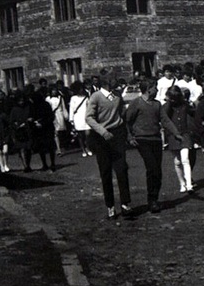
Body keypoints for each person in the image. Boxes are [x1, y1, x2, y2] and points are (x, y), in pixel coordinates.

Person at [126, 80, 180, 213]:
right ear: (149, 89)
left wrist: (176, 133)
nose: (157, 90)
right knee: (152, 168)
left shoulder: (157, 104)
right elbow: (127, 121)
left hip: (156, 139)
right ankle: (152, 201)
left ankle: (154, 199)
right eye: (155, 88)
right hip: (142, 140)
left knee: (158, 171)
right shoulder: (136, 103)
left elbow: (165, 120)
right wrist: (130, 137)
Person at [85, 75, 132, 219]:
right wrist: (102, 131)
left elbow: (122, 114)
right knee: (105, 172)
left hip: (117, 135)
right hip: (101, 137)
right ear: (105, 81)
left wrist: (127, 133)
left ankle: (125, 204)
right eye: (113, 79)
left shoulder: (117, 96)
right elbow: (88, 117)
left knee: (122, 169)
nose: (116, 81)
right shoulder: (96, 97)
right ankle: (110, 206)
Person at [163, 86, 197, 193]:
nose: (174, 100)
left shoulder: (184, 105)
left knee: (185, 159)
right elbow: (164, 116)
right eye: (172, 98)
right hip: (172, 135)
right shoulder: (166, 107)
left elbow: (193, 112)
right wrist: (168, 102)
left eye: (176, 97)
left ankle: (189, 184)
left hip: (185, 134)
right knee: (177, 161)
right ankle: (182, 183)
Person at [29, 91, 56, 172]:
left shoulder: (45, 105)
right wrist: (33, 121)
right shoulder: (33, 106)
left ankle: (52, 163)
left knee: (49, 147)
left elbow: (50, 117)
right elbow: (31, 116)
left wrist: (42, 123)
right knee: (42, 148)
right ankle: (45, 164)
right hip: (39, 130)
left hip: (46, 129)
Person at [8, 92, 33, 172]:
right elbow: (11, 121)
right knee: (22, 149)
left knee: (28, 149)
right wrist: (17, 126)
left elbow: (31, 116)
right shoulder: (14, 110)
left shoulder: (28, 108)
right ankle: (25, 166)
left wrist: (30, 120)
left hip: (28, 130)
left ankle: (28, 164)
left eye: (22, 100)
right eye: (20, 101)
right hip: (19, 132)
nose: (21, 102)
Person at [68, 81, 92, 158]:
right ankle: (83, 149)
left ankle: (88, 148)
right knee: (80, 135)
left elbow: (89, 107)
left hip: (86, 117)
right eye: (79, 89)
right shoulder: (73, 98)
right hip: (78, 118)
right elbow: (71, 109)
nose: (81, 90)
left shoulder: (86, 97)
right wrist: (71, 119)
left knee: (88, 134)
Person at [46, 87, 68, 156]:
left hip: (60, 115)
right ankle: (58, 148)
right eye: (52, 90)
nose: (54, 92)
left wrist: (66, 115)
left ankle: (62, 147)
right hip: (52, 116)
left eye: (55, 90)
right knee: (55, 132)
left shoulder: (60, 98)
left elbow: (63, 107)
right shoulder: (48, 99)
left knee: (61, 132)